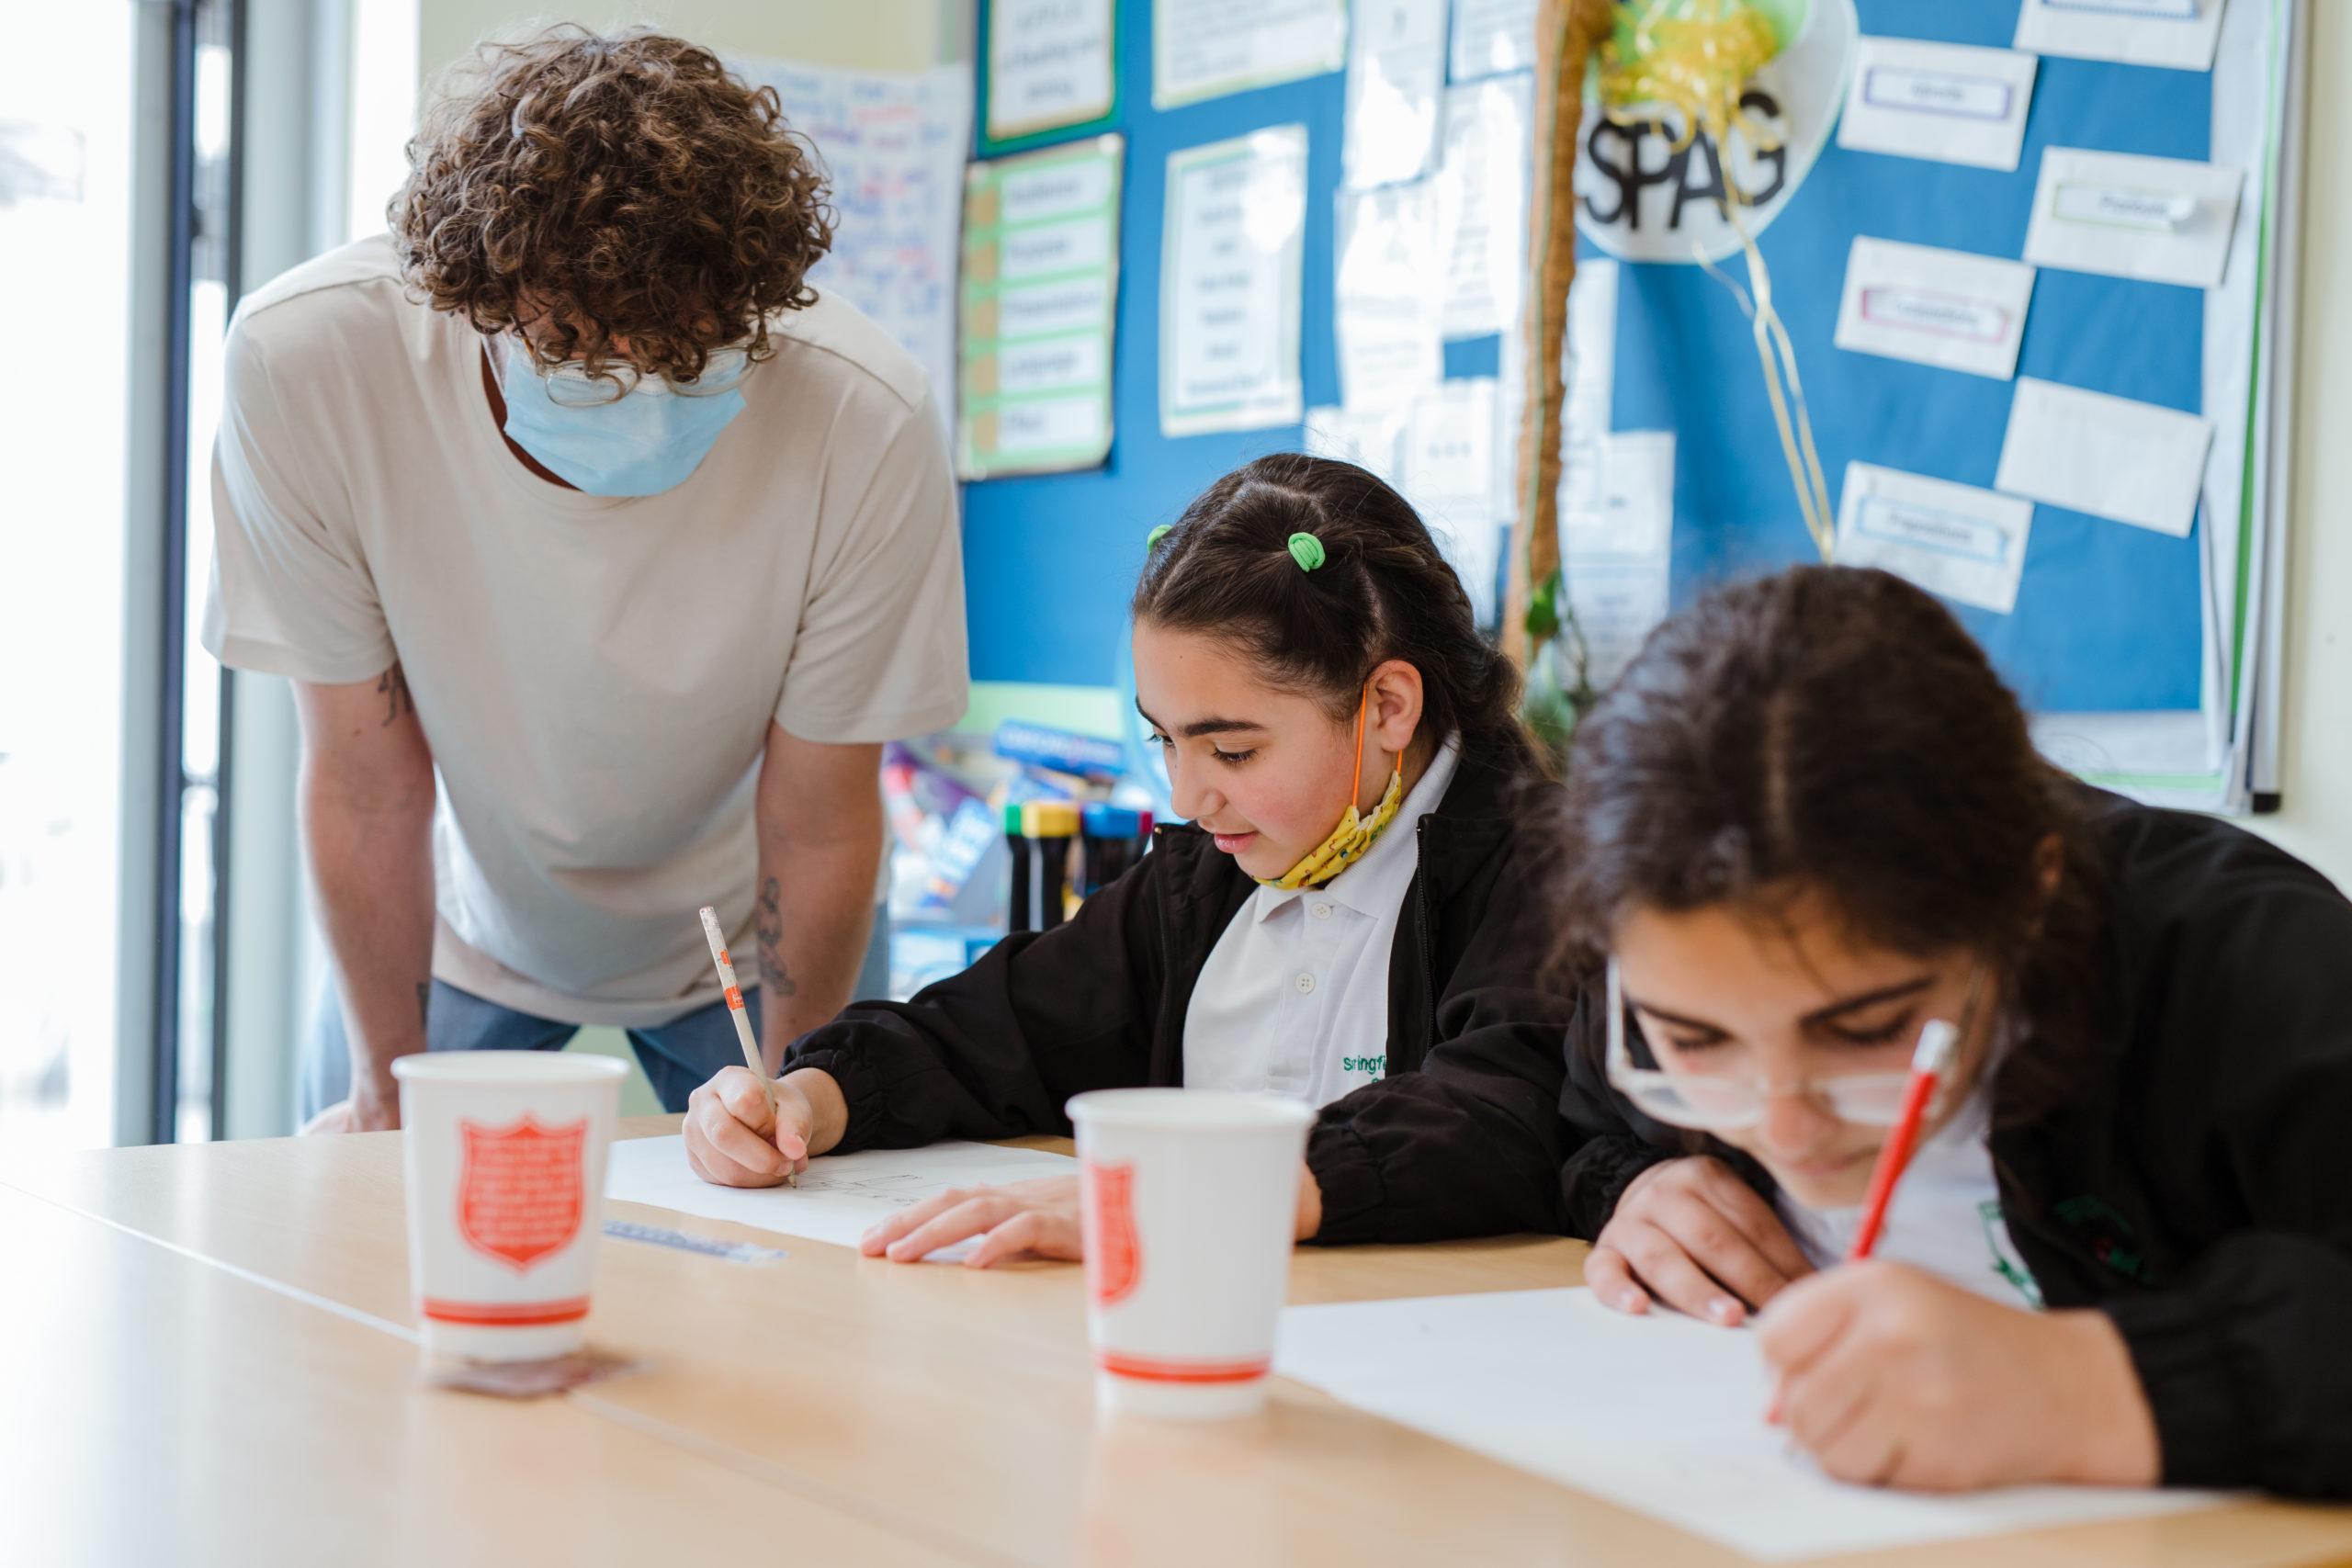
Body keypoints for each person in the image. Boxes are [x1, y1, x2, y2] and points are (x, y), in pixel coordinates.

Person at [203, 28, 967, 1129]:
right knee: (370, 1213)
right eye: (577, 351)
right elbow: (368, 782)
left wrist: (795, 1098)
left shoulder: (864, 418)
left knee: (799, 1221)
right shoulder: (311, 363)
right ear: (473, 297)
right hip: (465, 930)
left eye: (683, 356)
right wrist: (384, 1085)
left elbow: (818, 819)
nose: (633, 390)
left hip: (757, 941)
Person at [1547, 564, 2352, 1498]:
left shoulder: (2239, 963)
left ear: (2030, 894)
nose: (1787, 1132)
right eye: (1697, 1043)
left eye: (1866, 1029)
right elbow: (1581, 1125)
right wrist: (1635, 1188)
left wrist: (2088, 1388)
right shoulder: (1663, 953)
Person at [684, 454, 1575, 1263]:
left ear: (1386, 706)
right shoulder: (1205, 880)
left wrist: (1167, 1199)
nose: (1187, 801)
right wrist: (808, 1098)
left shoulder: (1538, 872)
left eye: (1231, 752)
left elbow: (1491, 1121)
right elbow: (1000, 1026)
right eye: (1164, 743)